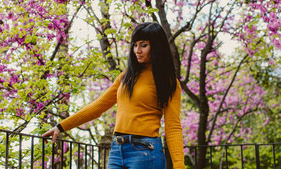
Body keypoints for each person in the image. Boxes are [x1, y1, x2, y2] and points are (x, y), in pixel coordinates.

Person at [43, 22, 185, 169]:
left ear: (156, 46)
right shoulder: (127, 77)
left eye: (143, 45)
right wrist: (61, 126)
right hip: (117, 150)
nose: (137, 50)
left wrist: (179, 166)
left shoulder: (168, 82)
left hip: (145, 152)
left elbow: (173, 127)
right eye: (135, 45)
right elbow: (98, 106)